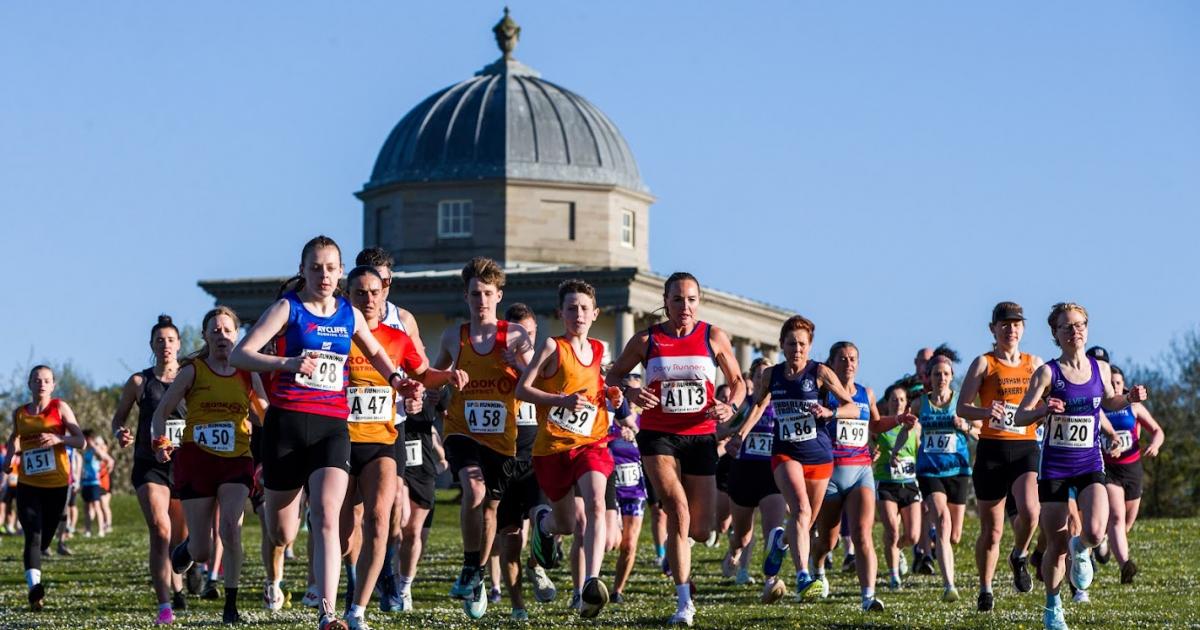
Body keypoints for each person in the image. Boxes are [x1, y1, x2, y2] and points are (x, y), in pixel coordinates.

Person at [231, 235, 423, 630]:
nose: (323, 275)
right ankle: (287, 520)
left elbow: (376, 352)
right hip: (286, 426)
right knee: (282, 532)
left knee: (326, 517)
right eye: (316, 267)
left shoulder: (348, 313)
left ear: (340, 273)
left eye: (331, 268)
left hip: (332, 427)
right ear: (302, 270)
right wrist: (288, 363)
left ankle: (328, 613)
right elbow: (240, 354)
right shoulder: (288, 308)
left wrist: (397, 380)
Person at [605, 272, 745, 627]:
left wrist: (730, 406)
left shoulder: (712, 336)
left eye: (691, 299)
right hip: (658, 436)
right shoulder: (647, 339)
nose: (685, 306)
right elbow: (612, 377)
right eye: (678, 299)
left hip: (700, 437)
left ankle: (679, 549)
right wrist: (631, 392)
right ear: (665, 301)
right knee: (677, 511)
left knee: (701, 530)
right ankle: (684, 602)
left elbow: (738, 382)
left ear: (699, 302)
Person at [337, 266, 466, 629]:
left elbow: (423, 374)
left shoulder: (397, 337)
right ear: (348, 296)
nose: (368, 299)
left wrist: (448, 376)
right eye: (360, 293)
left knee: (381, 519)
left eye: (374, 292)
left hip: (383, 439)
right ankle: (346, 578)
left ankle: (358, 610)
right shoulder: (336, 336)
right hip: (341, 441)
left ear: (384, 293)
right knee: (343, 532)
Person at [1013, 302, 1146, 630]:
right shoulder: (1048, 373)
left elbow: (1109, 401)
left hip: (1089, 461)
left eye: (1079, 325)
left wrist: (1128, 398)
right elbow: (1020, 416)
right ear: (1056, 334)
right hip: (1055, 467)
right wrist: (1044, 409)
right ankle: (1053, 606)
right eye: (1067, 326)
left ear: (1087, 328)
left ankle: (1082, 546)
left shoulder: (1100, 368)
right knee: (1056, 544)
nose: (1075, 331)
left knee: (1096, 531)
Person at [431, 257, 534, 620]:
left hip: (502, 438)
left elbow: (536, 382)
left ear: (499, 295)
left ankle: (475, 575)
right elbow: (433, 376)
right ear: (466, 296)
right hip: (461, 430)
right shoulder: (453, 336)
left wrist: (517, 364)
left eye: (488, 293)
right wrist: (444, 380)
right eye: (475, 294)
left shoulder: (516, 336)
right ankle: (469, 566)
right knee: (473, 490)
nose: (482, 301)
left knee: (490, 507)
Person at [153, 306, 267, 625]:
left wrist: (271, 418)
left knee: (230, 528)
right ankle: (190, 548)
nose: (221, 336)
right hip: (197, 460)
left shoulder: (248, 372)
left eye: (227, 330)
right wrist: (160, 443)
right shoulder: (193, 370)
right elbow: (161, 412)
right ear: (205, 336)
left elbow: (264, 412)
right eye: (215, 331)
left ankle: (230, 605)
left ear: (237, 335)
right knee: (203, 550)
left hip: (236, 460)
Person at [520, 279, 624, 619]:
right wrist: (560, 400)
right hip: (552, 447)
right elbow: (522, 389)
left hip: (591, 442)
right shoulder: (552, 346)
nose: (578, 314)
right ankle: (544, 524)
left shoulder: (598, 349)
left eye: (584, 308)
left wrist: (611, 395)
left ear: (595, 313)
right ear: (561, 313)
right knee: (566, 524)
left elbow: (594, 386)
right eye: (571, 308)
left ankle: (591, 582)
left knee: (596, 503)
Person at [736, 315, 857, 604]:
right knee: (800, 510)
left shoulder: (820, 372)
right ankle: (803, 576)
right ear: (781, 345)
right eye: (791, 344)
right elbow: (758, 406)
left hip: (819, 455)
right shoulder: (772, 375)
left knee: (805, 522)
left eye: (802, 344)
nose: (797, 349)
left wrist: (830, 413)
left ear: (810, 346)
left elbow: (852, 407)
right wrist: (740, 434)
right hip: (785, 453)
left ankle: (779, 541)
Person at [957, 302, 1044, 611]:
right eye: (1004, 324)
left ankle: (1019, 555)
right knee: (992, 531)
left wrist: (1045, 412)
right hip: (992, 451)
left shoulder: (1035, 363)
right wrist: (985, 411)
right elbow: (962, 408)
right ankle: (986, 589)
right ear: (993, 329)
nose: (1011, 329)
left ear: (1023, 328)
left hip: (1025, 447)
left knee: (1031, 512)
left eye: (1016, 324)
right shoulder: (984, 363)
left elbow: (1045, 402)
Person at [353, 247, 424, 613]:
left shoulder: (403, 319)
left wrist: (417, 396)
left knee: (392, 504)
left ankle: (387, 573)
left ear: (388, 283)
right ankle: (355, 577)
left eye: (380, 283)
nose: (373, 292)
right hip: (347, 429)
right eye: (366, 283)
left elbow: (420, 369)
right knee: (353, 516)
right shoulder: (344, 318)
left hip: (389, 424)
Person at [111, 315, 192, 624]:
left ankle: (182, 579)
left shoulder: (191, 376)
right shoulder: (139, 382)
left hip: (185, 464)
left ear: (179, 344)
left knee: (181, 539)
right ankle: (164, 606)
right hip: (150, 465)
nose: (165, 345)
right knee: (160, 530)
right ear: (151, 345)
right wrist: (120, 432)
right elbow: (119, 418)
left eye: (170, 340)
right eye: (160, 341)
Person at [810, 341, 891, 611]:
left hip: (860, 470)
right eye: (842, 359)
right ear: (832, 363)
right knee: (828, 540)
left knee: (862, 534)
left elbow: (875, 425)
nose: (848, 363)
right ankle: (817, 567)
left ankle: (868, 597)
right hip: (830, 472)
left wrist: (897, 420)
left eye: (853, 358)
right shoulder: (823, 393)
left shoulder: (866, 393)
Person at [5, 366, 86, 611]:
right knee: (32, 535)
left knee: (44, 538)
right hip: (28, 483)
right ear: (29, 384)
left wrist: (59, 439)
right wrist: (9, 458)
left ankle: (36, 567)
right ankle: (34, 589)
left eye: (46, 380)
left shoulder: (60, 408)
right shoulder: (20, 413)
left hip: (57, 485)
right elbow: (15, 437)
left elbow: (81, 441)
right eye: (37, 380)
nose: (41, 384)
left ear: (53, 385)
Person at [897, 354, 976, 603]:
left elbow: (980, 431)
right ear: (929, 378)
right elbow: (906, 429)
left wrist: (965, 426)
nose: (941, 378)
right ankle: (949, 585)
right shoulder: (920, 404)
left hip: (958, 470)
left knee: (954, 536)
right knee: (942, 520)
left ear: (952, 377)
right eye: (936, 374)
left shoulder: (962, 403)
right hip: (930, 471)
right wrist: (897, 450)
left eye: (945, 374)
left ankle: (936, 544)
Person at [722, 359, 788, 602]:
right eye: (759, 375)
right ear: (752, 379)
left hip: (772, 474)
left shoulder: (781, 405)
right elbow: (722, 430)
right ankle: (734, 550)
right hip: (744, 472)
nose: (763, 379)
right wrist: (732, 433)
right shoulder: (745, 405)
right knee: (742, 536)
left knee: (774, 532)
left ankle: (771, 581)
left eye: (767, 374)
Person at [1097, 364, 1163, 584]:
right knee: (1117, 517)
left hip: (1133, 469)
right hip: (1109, 469)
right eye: (1111, 383)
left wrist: (1155, 445)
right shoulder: (1098, 407)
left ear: (1123, 385)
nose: (1115, 386)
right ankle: (1126, 566)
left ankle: (1105, 540)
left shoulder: (1133, 407)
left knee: (1126, 524)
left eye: (1118, 383)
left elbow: (1157, 430)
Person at [395, 386, 449, 611]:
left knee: (413, 533)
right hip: (394, 461)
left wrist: (443, 457)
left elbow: (447, 415)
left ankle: (404, 587)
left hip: (423, 469)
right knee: (399, 522)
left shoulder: (433, 387)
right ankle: (388, 577)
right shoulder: (391, 378)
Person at [874, 385, 921, 590]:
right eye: (894, 399)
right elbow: (870, 448)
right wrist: (874, 456)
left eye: (901, 399)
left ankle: (898, 549)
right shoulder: (880, 426)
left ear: (907, 403)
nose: (898, 403)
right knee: (892, 530)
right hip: (886, 483)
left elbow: (919, 452)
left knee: (913, 536)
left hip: (909, 483)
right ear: (887, 403)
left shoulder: (915, 427)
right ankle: (894, 576)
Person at [80, 430, 116, 538]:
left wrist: (103, 473)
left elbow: (110, 460)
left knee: (97, 506)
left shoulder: (96, 450)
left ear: (88, 439)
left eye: (85, 438)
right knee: (87, 508)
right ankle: (88, 530)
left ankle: (101, 530)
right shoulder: (86, 451)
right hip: (86, 482)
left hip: (95, 482)